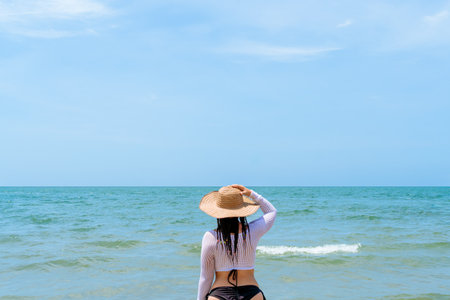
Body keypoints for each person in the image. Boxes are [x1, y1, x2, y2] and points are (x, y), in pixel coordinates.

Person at [197, 184, 277, 300]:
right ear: (242, 209)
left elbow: (206, 278)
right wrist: (251, 194)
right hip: (252, 293)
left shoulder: (211, 237)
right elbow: (271, 212)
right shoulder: (252, 231)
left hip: (219, 294)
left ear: (218, 212)